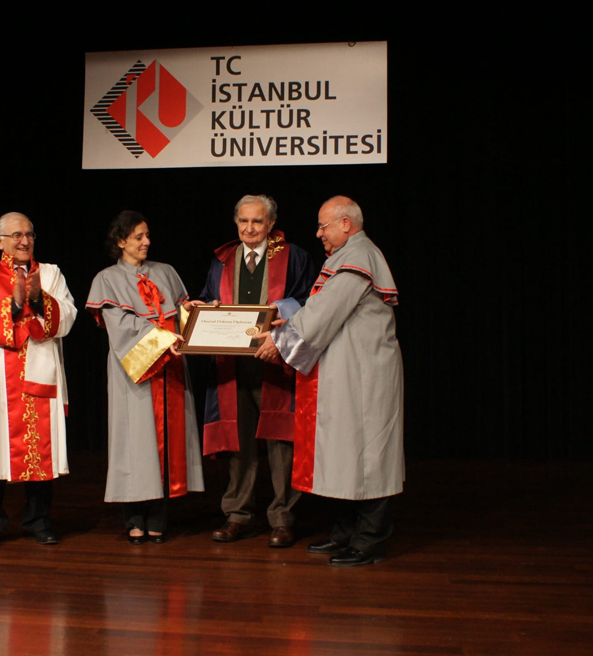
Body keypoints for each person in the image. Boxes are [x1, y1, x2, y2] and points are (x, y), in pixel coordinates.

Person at [255, 196, 404, 567]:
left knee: (370, 459)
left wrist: (280, 339)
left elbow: (325, 312)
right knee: (345, 455)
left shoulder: (359, 257)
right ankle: (344, 534)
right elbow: (319, 309)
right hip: (346, 373)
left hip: (365, 375)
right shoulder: (345, 257)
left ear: (346, 224)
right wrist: (289, 323)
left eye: (324, 226)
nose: (319, 233)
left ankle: (369, 542)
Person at [195, 194, 315, 548]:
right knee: (239, 444)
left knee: (281, 444)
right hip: (232, 366)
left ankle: (283, 518)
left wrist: (281, 315)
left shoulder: (294, 257)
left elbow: (310, 304)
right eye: (243, 221)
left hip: (276, 362)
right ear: (236, 222)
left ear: (271, 224)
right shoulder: (223, 260)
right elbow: (207, 297)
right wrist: (205, 308)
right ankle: (238, 515)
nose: (249, 228)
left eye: (257, 221)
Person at [86, 210, 204, 544]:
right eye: (138, 237)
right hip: (134, 372)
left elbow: (179, 315)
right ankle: (134, 518)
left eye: (147, 235)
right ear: (120, 241)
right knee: (135, 444)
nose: (146, 242)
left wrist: (193, 314)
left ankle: (158, 518)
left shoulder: (165, 272)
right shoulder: (107, 279)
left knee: (167, 442)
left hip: (171, 369)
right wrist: (162, 337)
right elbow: (121, 328)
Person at [0, 212, 77, 548]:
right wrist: (13, 303)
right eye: (16, 235)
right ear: (0, 241)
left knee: (41, 450)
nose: (24, 241)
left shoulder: (51, 273)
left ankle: (39, 520)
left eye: (29, 234)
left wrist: (39, 298)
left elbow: (68, 316)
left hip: (41, 370)